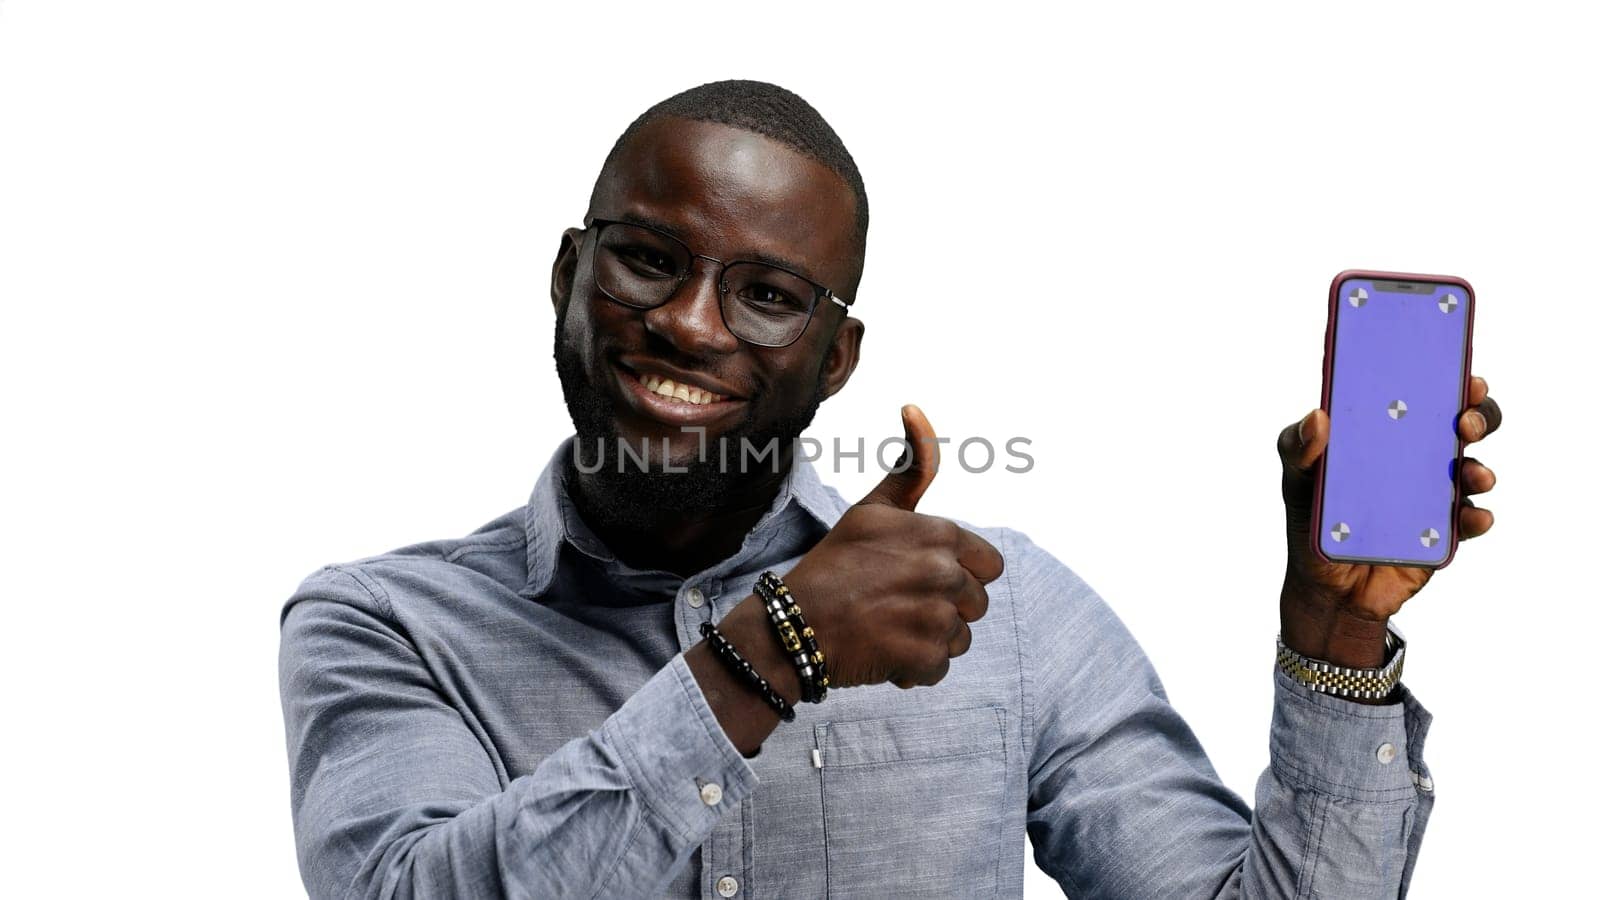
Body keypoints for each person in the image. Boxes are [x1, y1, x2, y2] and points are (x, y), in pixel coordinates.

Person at [278, 79, 1503, 899]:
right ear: (567, 276)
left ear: (835, 359)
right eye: (648, 262)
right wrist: (764, 658)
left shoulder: (1003, 612)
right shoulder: (382, 627)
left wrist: (1334, 635)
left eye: (765, 295)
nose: (691, 325)